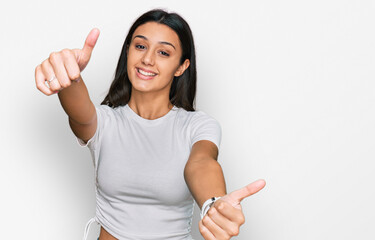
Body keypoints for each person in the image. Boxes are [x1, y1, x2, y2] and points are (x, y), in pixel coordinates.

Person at [35, 9, 266, 240]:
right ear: (128, 52)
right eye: (140, 46)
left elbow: (201, 163)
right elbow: (80, 114)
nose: (147, 59)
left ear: (181, 67)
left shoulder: (197, 125)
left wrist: (213, 203)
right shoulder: (105, 122)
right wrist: (68, 78)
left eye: (164, 52)